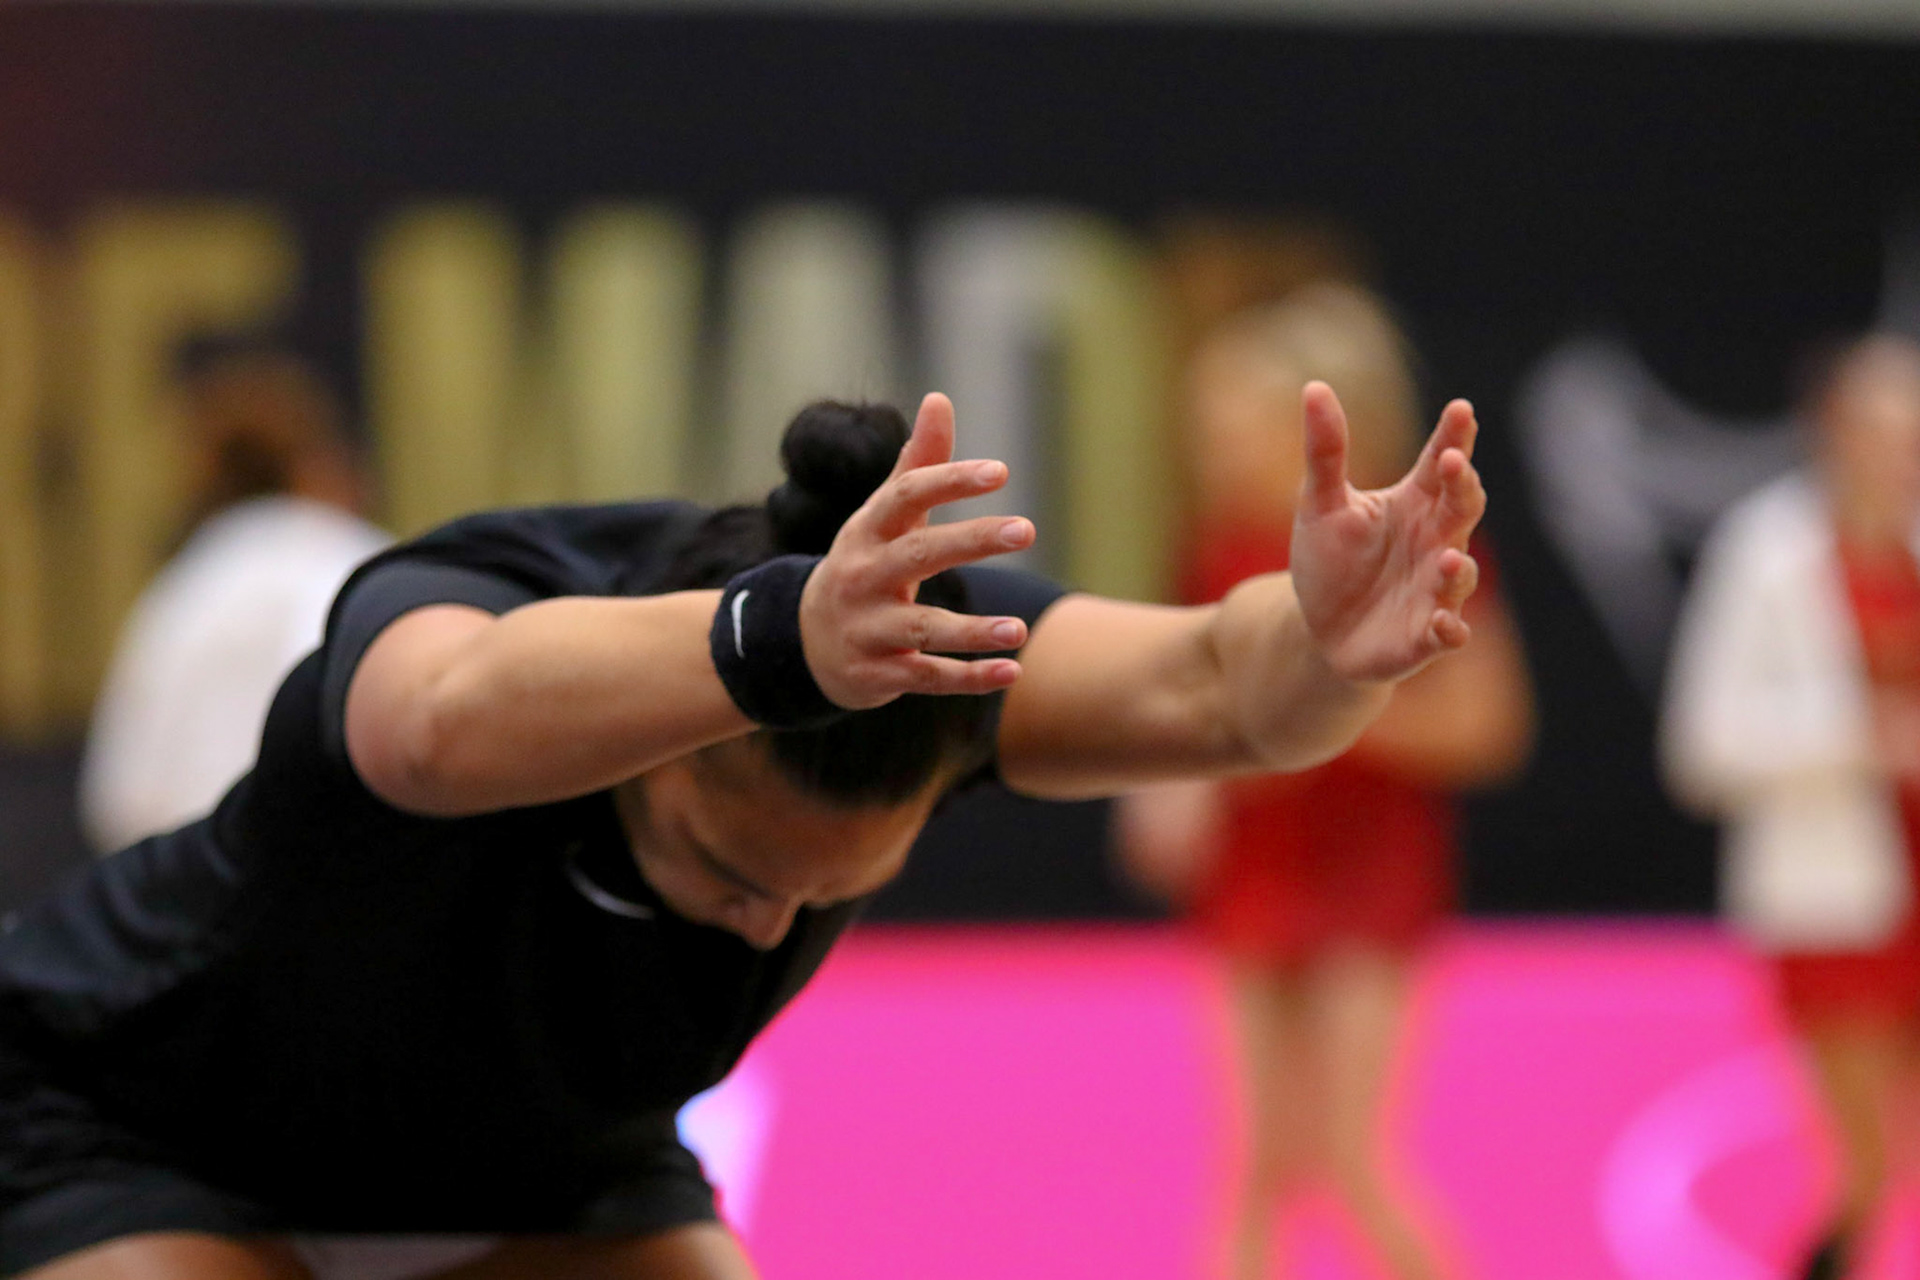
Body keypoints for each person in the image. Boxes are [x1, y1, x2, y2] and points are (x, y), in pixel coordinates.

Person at [0, 381, 1488, 1280]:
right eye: (727, 870)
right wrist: (767, 651)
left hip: (542, 1166)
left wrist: (1320, 649)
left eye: (825, 895)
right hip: (141, 1116)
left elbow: (1216, 685)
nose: (768, 929)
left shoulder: (935, 667)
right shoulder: (494, 604)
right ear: (652, 755)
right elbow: (432, 724)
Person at [1118, 285, 1533, 1280]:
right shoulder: (1217, 552)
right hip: (1253, 870)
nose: (1214, 454)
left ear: (1329, 435)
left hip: (1367, 875)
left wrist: (1322, 714)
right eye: (1204, 430)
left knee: (1352, 1156)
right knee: (1252, 1164)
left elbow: (1487, 726)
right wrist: (1169, 787)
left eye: (1235, 430)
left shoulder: (1417, 550)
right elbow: (1181, 701)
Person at [1662, 333, 1920, 1280]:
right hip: (1835, 898)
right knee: (1867, 1165)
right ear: (1828, 431)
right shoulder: (1767, 553)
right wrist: (1863, 736)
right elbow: (1703, 744)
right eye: (1879, 428)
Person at [78, 349, 391, 853]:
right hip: (342, 890)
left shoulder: (180, 594)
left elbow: (121, 798)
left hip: (192, 903)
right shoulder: (354, 565)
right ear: (317, 463)